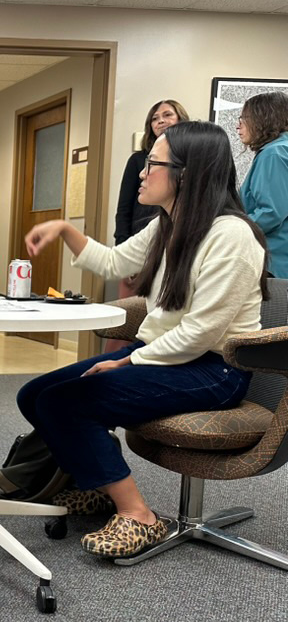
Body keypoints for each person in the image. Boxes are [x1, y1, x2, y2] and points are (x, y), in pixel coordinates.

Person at [19, 121, 268, 559]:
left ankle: (139, 516)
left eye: (153, 163)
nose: (141, 171)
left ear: (187, 174)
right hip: (165, 357)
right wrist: (62, 228)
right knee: (34, 394)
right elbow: (115, 261)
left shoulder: (232, 236)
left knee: (66, 402)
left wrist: (126, 363)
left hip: (215, 369)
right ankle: (97, 485)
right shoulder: (170, 223)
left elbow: (200, 333)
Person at [105, 99, 190, 352]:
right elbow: (124, 210)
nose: (160, 121)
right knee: (127, 319)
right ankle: (117, 365)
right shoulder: (137, 161)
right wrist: (123, 247)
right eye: (155, 118)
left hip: (173, 245)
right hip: (140, 244)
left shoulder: (190, 160)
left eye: (167, 115)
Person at [238, 91, 288, 279]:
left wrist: (233, 230)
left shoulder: (274, 154)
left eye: (244, 119)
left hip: (273, 262)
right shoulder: (281, 149)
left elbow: (271, 212)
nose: (238, 126)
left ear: (263, 118)